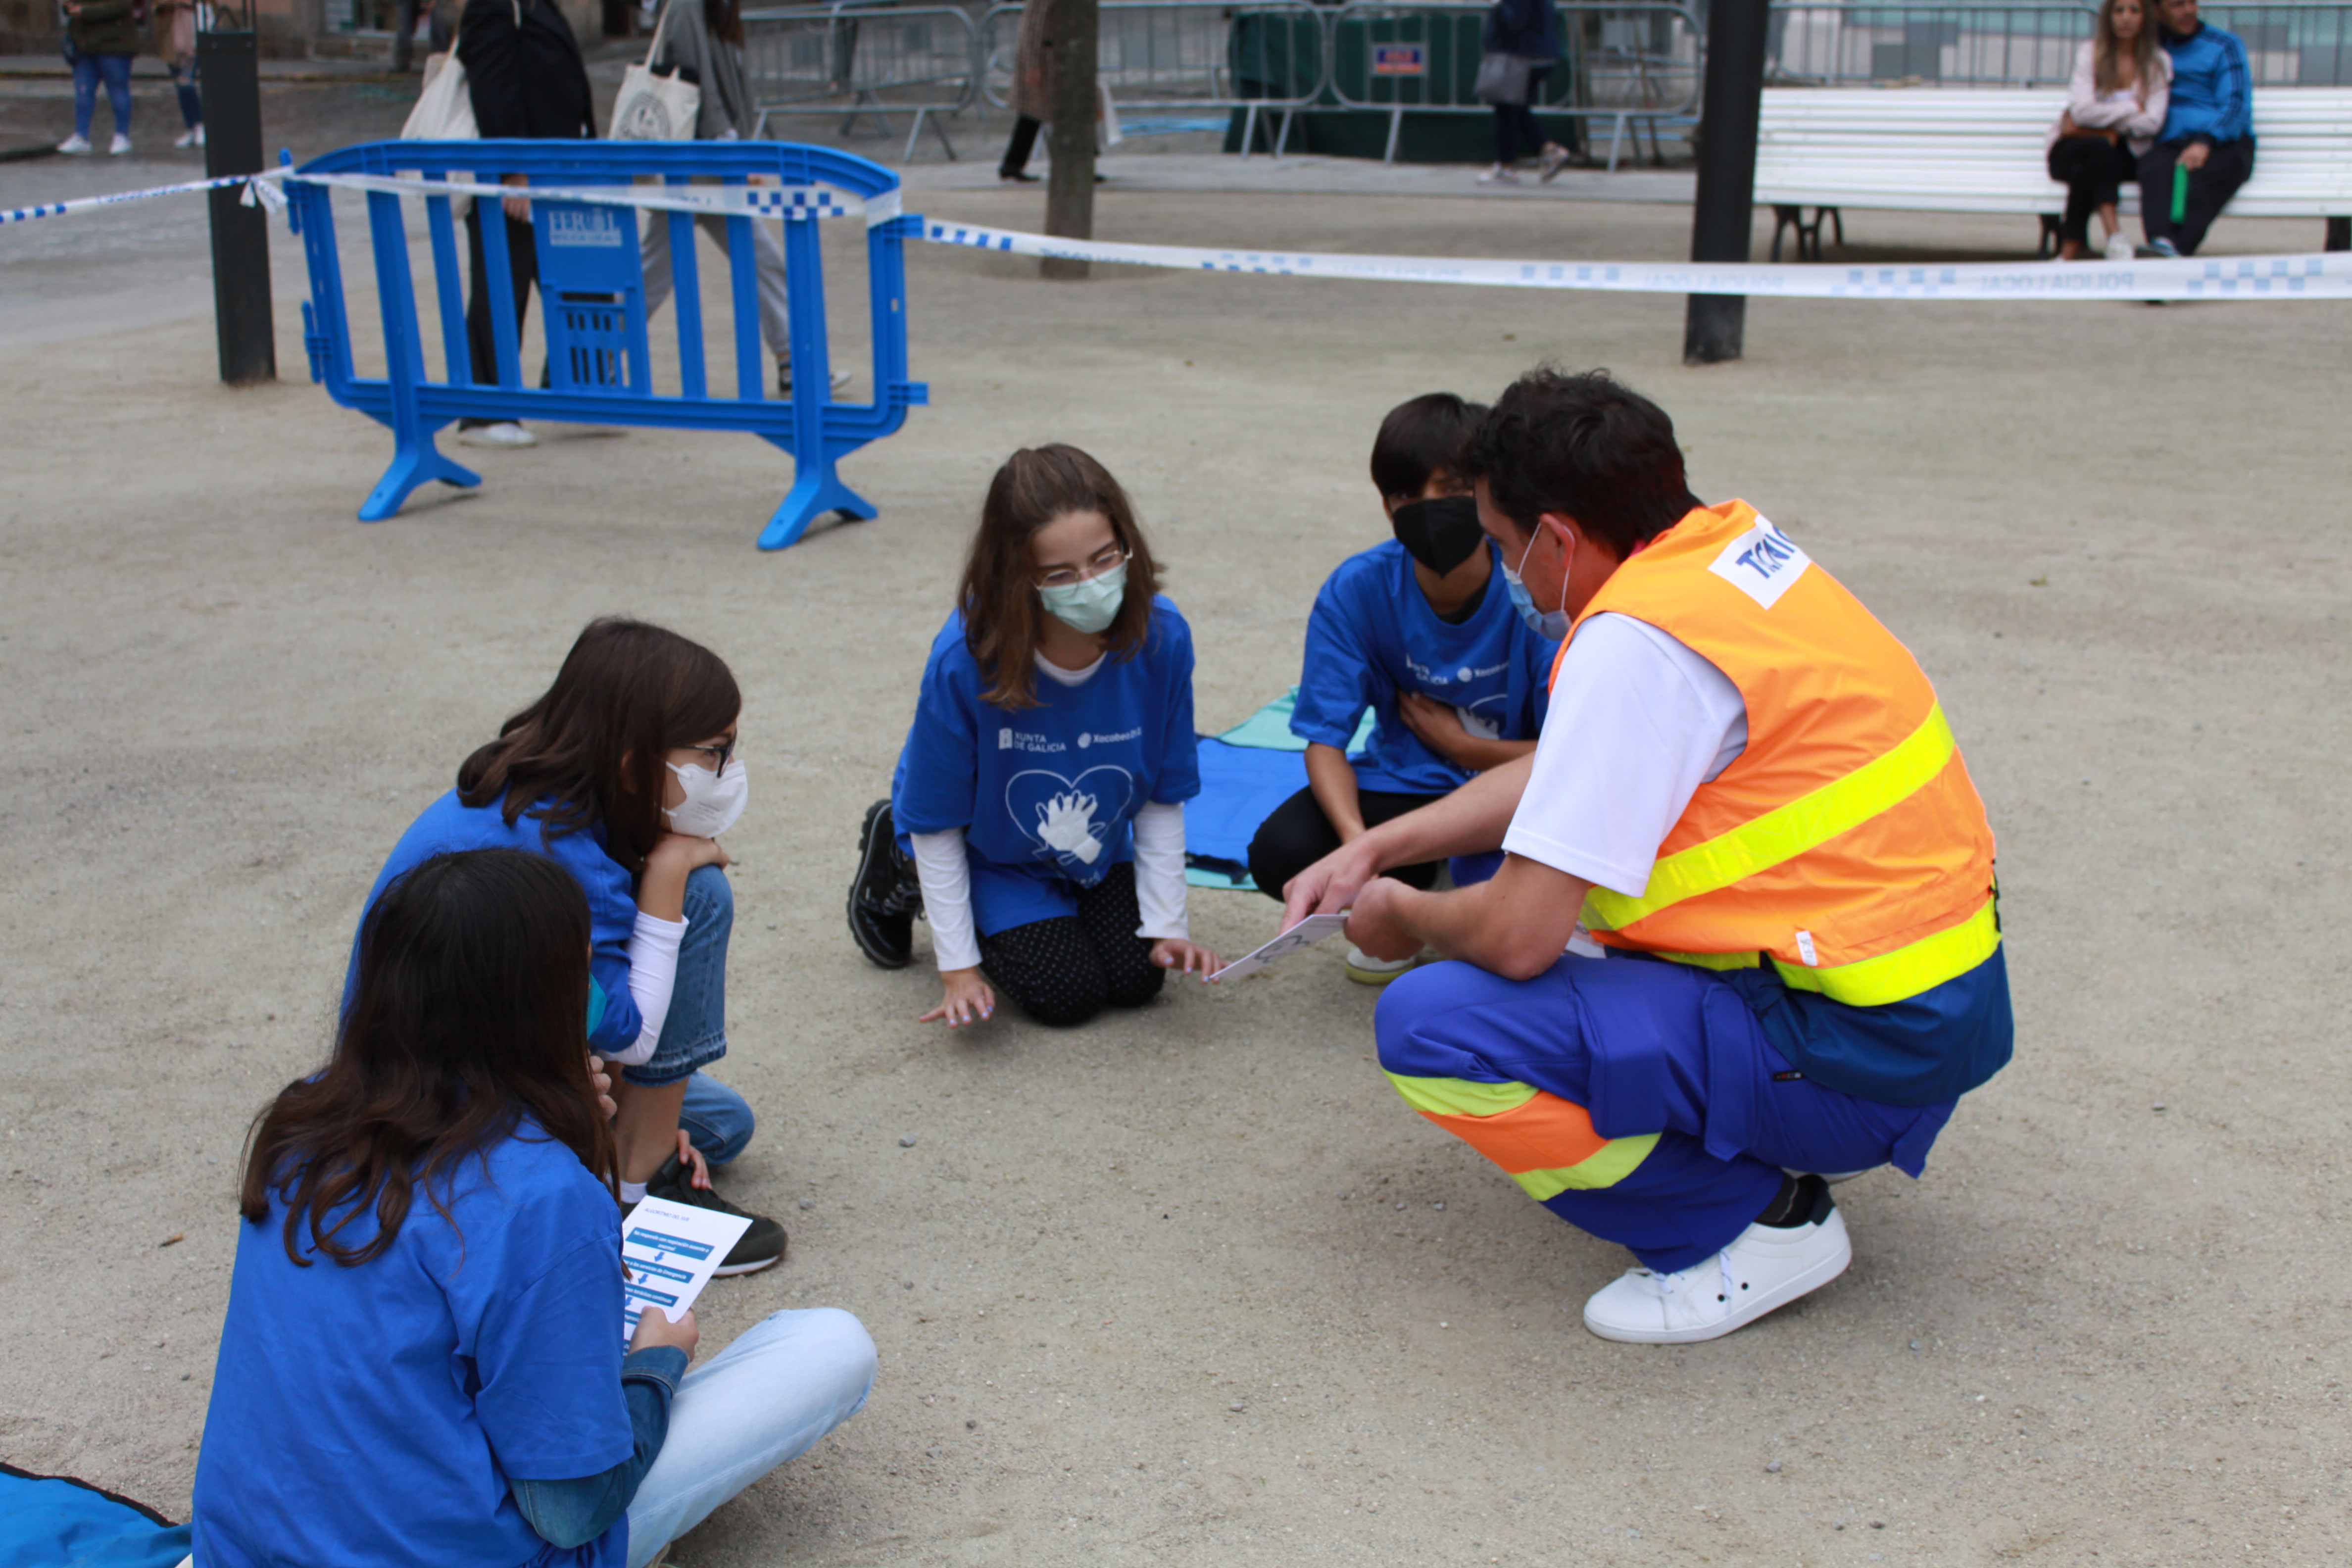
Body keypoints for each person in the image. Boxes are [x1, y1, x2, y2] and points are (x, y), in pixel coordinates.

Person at [1284, 369, 2011, 1345]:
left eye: (1504, 544)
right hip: (1923, 1017)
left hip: (1856, 1058)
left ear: (1558, 539)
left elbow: (1515, 936)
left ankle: (1750, 1225)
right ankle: (1771, 1134)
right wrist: (1385, 843)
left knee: (1432, 1026)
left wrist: (1401, 913)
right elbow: (1571, 765)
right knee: (1584, 926)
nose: (1508, 573)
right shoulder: (1732, 559)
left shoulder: (1631, 642)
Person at [193, 848, 876, 1568]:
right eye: (581, 973)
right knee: (831, 1346)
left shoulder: (302, 1119)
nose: (594, 994)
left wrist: (562, 1125)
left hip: (243, 1549)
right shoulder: (539, 1192)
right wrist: (655, 1367)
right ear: (537, 1003)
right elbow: (569, 1510)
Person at [351, 617, 787, 1275]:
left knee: (724, 1124)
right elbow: (630, 1039)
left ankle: (620, 1144)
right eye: (713, 753)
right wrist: (669, 870)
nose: (726, 771)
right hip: (462, 1100)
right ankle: (640, 1190)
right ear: (634, 765)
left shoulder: (527, 794)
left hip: (401, 1067)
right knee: (700, 896)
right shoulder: (571, 865)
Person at [848, 444, 1221, 1028]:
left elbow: (1161, 794)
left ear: (1127, 543)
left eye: (1104, 559)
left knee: (1137, 979)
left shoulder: (1162, 637)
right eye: (1060, 575)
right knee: (1066, 995)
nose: (1091, 585)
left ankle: (1059, 908)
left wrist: (1168, 924)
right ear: (1017, 575)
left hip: (1092, 846)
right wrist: (958, 967)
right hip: (991, 853)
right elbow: (939, 822)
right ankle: (899, 854)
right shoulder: (965, 659)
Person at [1246, 392, 1556, 985]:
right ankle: (1418, 889)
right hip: (1408, 789)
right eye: (1406, 495)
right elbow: (1324, 741)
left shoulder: (1531, 584)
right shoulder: (1358, 588)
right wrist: (1358, 849)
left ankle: (1434, 902)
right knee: (1281, 852)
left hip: (1517, 794)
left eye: (1451, 488)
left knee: (1534, 896)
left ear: (1487, 490)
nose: (1428, 508)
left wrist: (1468, 750)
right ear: (1386, 506)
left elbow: (1575, 753)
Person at [634, 0, 845, 398]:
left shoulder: (715, 8)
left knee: (761, 260)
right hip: (695, 171)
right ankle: (593, 355)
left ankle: (791, 359)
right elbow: (697, 79)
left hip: (711, 172)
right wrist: (733, 151)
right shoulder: (688, 8)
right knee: (653, 275)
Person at [453, 0, 596, 450]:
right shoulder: (494, 7)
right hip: (516, 180)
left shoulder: (535, 5)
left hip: (550, 174)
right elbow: (493, 84)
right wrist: (513, 169)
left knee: (566, 279)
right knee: (501, 287)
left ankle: (580, 389)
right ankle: (484, 411)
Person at [2047, 0, 2168, 261]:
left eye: (2134, 10)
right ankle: (2114, 236)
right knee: (2097, 149)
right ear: (2108, 16)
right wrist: (2131, 109)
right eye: (2119, 10)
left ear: (2145, 17)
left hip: (2122, 155)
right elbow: (2082, 111)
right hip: (2071, 147)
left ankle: (2068, 253)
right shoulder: (2090, 53)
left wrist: (2103, 121)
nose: (2126, 18)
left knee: (2085, 171)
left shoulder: (2158, 62)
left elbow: (2153, 122)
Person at [2138, 0, 2253, 257]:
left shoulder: (2225, 46)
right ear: (2156, 10)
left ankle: (2172, 250)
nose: (2188, 10)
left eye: (2192, 2)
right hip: (2170, 142)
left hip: (2225, 140)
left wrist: (2205, 141)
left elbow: (2236, 105)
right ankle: (2163, 243)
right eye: (2177, 5)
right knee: (2153, 169)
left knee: (2207, 178)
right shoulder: (2148, 49)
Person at [1477, 0, 1571, 187]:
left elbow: (1515, 21)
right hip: (1535, 54)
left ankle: (1508, 166)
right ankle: (1547, 150)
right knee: (1516, 109)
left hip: (1521, 55)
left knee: (1507, 108)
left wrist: (1498, 4)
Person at [55, 0, 138, 157]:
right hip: (84, 44)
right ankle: (81, 136)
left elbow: (121, 5)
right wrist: (69, 6)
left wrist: (85, 12)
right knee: (83, 90)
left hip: (114, 44)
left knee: (117, 89)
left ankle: (121, 136)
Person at [997, 0, 1050, 183]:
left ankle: (1012, 163)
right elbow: (1032, 27)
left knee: (1033, 114)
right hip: (1044, 61)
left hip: (1048, 58)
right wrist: (1033, 65)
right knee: (1033, 113)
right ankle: (1012, 164)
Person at [154, 0, 204, 149]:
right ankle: (192, 127)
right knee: (181, 86)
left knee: (186, 83)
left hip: (193, 37)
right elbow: (157, 8)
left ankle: (200, 125)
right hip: (172, 39)